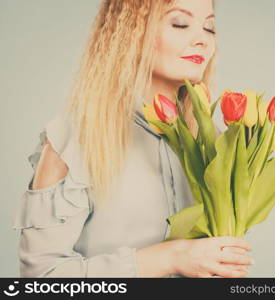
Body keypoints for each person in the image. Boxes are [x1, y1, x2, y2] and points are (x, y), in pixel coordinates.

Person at [12, 0, 254, 278]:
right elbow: (42, 278)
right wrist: (170, 258)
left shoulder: (214, 140)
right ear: (132, 33)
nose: (202, 40)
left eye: (209, 27)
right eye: (180, 23)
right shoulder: (75, 137)